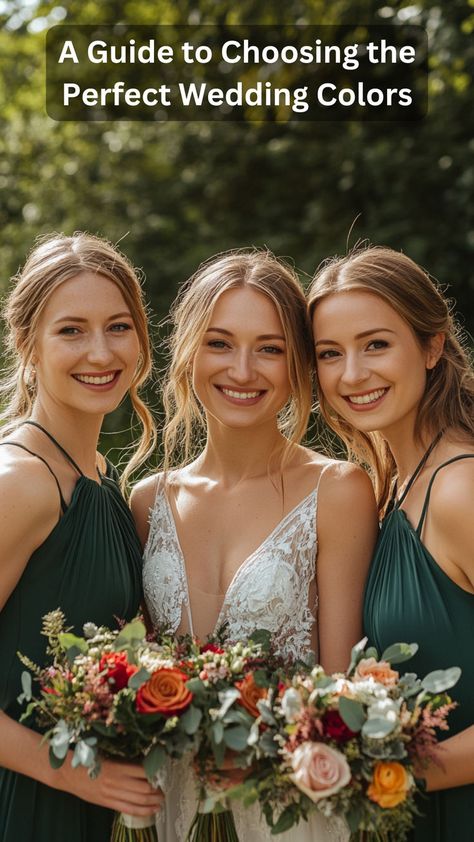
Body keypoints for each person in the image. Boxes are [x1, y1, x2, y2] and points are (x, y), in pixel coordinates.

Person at [132, 249, 377, 841]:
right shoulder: (145, 500)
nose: (243, 370)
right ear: (188, 351)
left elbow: (339, 688)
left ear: (297, 365)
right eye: (220, 343)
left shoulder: (338, 489)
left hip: (290, 810)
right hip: (167, 809)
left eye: (269, 349)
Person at [308, 245, 474, 842]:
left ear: (431, 347)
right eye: (330, 353)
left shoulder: (460, 489)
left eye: (375, 344)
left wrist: (384, 776)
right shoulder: (394, 484)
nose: (352, 374)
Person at [0, 233, 162, 842]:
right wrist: (74, 774)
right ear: (28, 344)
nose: (101, 351)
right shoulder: (20, 482)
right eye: (72, 330)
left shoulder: (98, 476)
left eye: (118, 327)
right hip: (25, 804)